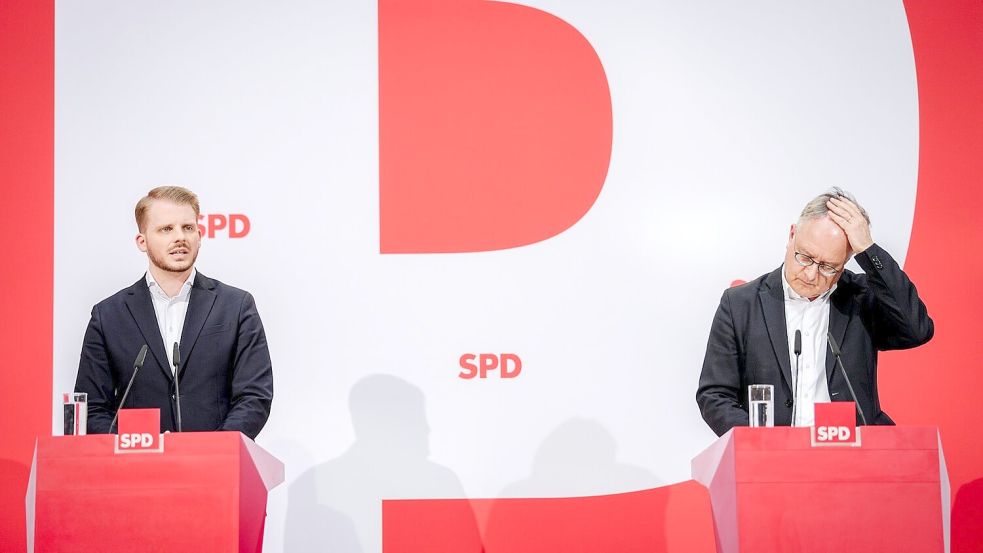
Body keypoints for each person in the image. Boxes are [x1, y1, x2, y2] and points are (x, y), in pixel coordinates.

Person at [696, 188, 933, 436]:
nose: (811, 274)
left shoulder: (860, 299)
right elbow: (715, 395)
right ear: (792, 235)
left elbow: (917, 329)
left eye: (828, 267)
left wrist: (868, 250)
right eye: (805, 257)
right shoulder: (740, 304)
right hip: (773, 454)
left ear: (846, 261)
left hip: (853, 451)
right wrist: (760, 444)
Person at [74, 186, 273, 439]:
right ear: (142, 241)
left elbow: (254, 397)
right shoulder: (109, 315)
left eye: (188, 228)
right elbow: (92, 409)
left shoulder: (236, 306)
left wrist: (214, 449)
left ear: (199, 235)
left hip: (214, 460)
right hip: (136, 461)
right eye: (166, 229)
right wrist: (133, 447)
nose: (180, 237)